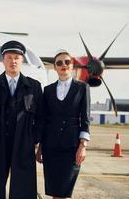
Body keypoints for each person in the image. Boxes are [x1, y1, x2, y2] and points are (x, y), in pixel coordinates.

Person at [0, 40, 44, 199]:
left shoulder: (34, 86)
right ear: (2, 60)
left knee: (24, 187)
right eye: (9, 57)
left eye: (17, 58)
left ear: (22, 60)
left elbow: (41, 118)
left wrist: (33, 138)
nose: (13, 61)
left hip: (23, 144)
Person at [36, 49, 90, 199]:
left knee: (64, 190)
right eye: (59, 63)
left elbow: (85, 118)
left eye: (67, 62)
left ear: (72, 65)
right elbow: (44, 119)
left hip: (71, 147)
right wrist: (40, 147)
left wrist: (82, 146)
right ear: (55, 67)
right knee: (54, 190)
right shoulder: (47, 90)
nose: (63, 65)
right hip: (50, 146)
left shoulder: (82, 88)